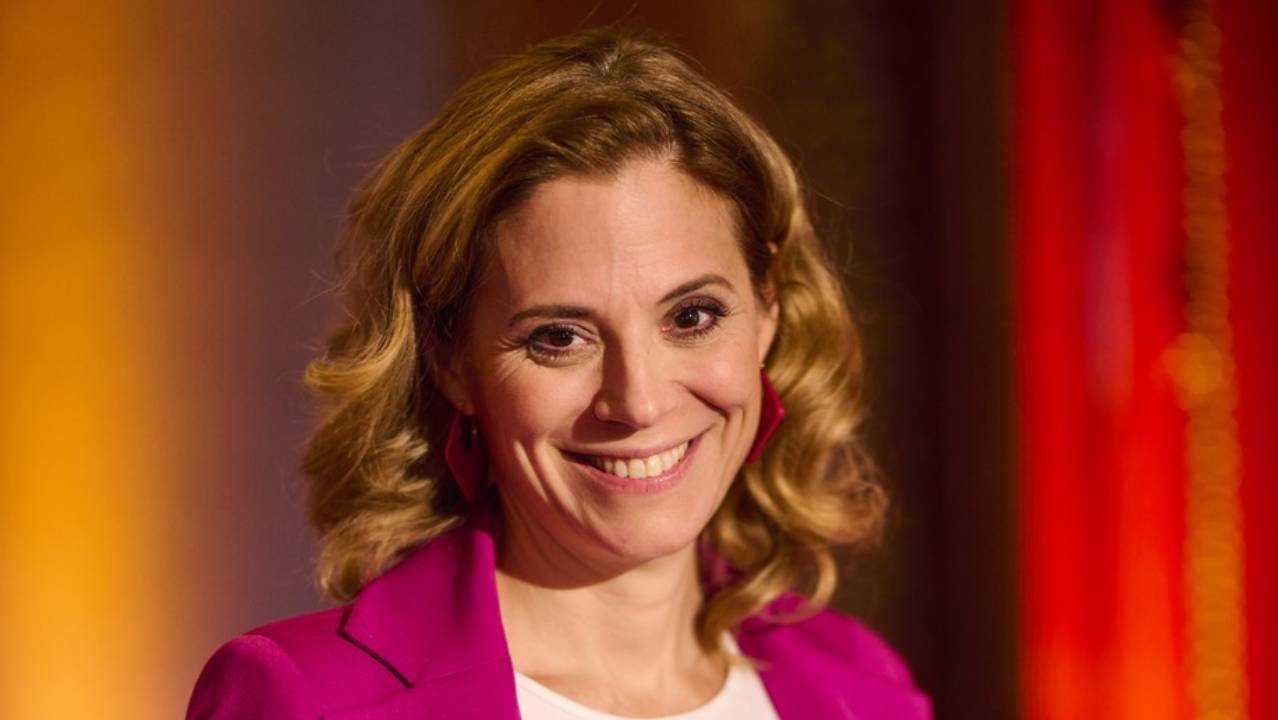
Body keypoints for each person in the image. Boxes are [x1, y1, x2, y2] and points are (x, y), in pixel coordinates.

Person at [186, 26, 930, 720]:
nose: (638, 400)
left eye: (692, 316)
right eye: (559, 337)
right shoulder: (306, 697)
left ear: (768, 309)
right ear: (450, 361)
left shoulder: (865, 688)